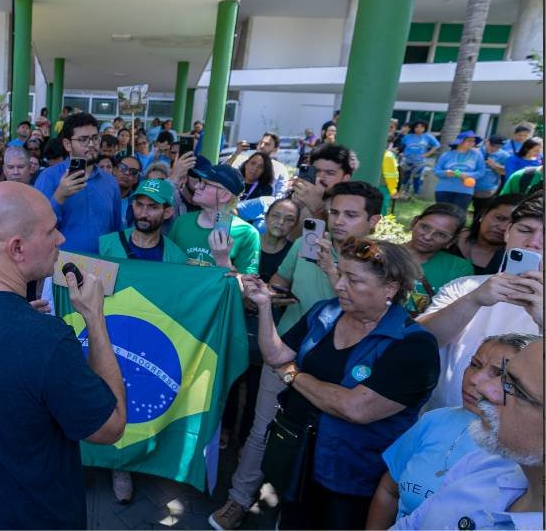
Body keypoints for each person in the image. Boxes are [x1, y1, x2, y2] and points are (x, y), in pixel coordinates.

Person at [0, 182, 126, 529]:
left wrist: (12, 319)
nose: (61, 239)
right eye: (51, 230)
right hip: (34, 516)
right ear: (17, 247)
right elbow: (111, 426)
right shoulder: (46, 339)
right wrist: (95, 319)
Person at [208, 181, 383, 530]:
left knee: (319, 439)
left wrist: (331, 271)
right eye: (334, 212)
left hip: (343, 365)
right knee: (262, 429)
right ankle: (239, 499)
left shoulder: (381, 260)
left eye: (351, 215)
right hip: (286, 349)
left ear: (374, 220)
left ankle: (291, 510)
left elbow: (369, 311)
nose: (338, 221)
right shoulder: (306, 241)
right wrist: (270, 293)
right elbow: (281, 279)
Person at [242, 238, 439, 530]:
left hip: (353, 478)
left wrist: (293, 375)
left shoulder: (413, 346)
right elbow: (277, 355)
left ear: (390, 288)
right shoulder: (326, 311)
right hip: (301, 461)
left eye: (354, 280)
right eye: (341, 273)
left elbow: (354, 408)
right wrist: (264, 307)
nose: (339, 285)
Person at [366, 333, 538, 528]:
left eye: (500, 374)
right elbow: (390, 490)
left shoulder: (514, 458)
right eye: (474, 364)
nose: (476, 380)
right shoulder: (436, 421)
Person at [417, 192, 543, 410]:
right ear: (507, 233)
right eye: (525, 230)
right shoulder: (465, 286)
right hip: (442, 422)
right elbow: (419, 342)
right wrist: (473, 300)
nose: (533, 243)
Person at [34, 113, 123, 254]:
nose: (92, 144)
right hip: (60, 266)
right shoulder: (48, 177)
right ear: (67, 144)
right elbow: (36, 228)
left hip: (104, 267)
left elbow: (116, 230)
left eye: (95, 138)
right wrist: (59, 196)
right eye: (83, 140)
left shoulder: (110, 182)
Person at [168, 163, 260, 273]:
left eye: (205, 183)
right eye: (200, 181)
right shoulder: (182, 221)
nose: (197, 186)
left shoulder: (247, 233)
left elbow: (247, 285)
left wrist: (223, 261)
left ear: (225, 196)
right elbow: (167, 267)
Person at [403, 203, 475, 315]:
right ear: (414, 223)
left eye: (441, 234)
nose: (427, 237)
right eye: (425, 227)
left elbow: (454, 314)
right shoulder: (382, 255)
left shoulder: (459, 268)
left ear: (451, 242)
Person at [98, 179, 187, 264]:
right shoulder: (105, 245)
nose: (143, 214)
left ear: (167, 213)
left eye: (153, 207)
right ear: (133, 205)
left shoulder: (176, 258)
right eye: (139, 205)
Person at [448, 193, 523, 275]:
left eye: (512, 224)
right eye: (499, 218)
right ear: (483, 214)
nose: (503, 227)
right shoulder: (450, 236)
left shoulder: (512, 263)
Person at [288, 143, 356, 231]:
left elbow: (336, 236)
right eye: (317, 171)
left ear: (345, 178)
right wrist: (294, 207)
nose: (320, 177)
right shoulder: (300, 194)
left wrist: (318, 208)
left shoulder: (352, 206)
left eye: (330, 173)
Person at [433, 130, 485, 210]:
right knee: (441, 213)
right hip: (444, 189)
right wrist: (445, 173)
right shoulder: (446, 155)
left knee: (458, 216)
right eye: (469, 141)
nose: (472, 143)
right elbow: (436, 171)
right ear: (460, 142)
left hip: (465, 191)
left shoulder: (477, 156)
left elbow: (481, 172)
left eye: (473, 141)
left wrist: (467, 175)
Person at [228, 132, 289, 196]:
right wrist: (236, 153)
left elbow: (281, 193)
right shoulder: (245, 161)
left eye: (267, 144)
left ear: (275, 149)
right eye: (260, 143)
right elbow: (225, 172)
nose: (262, 146)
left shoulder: (280, 168)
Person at [258, 198, 300, 283]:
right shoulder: (248, 242)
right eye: (276, 216)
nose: (281, 222)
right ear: (266, 217)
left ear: (295, 225)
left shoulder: (294, 253)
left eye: (289, 219)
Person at [398, 121, 440, 197]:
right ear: (414, 128)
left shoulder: (427, 136)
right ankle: (404, 192)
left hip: (419, 161)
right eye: (417, 127)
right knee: (405, 176)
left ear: (425, 128)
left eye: (421, 127)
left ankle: (416, 193)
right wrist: (402, 153)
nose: (419, 129)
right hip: (407, 160)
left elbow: (437, 145)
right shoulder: (408, 136)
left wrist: (428, 154)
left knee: (416, 177)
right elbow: (401, 146)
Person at [472, 135, 510, 213]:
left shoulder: (504, 155)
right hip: (467, 187)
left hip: (486, 190)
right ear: (487, 142)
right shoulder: (475, 151)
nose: (494, 149)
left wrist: (495, 165)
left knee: (480, 213)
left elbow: (506, 172)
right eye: (492, 145)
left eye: (498, 147)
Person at [113, 155, 142, 226]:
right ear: (115, 170)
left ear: (136, 179)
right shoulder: (99, 195)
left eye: (133, 171)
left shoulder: (139, 204)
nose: (127, 173)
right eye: (123, 167)